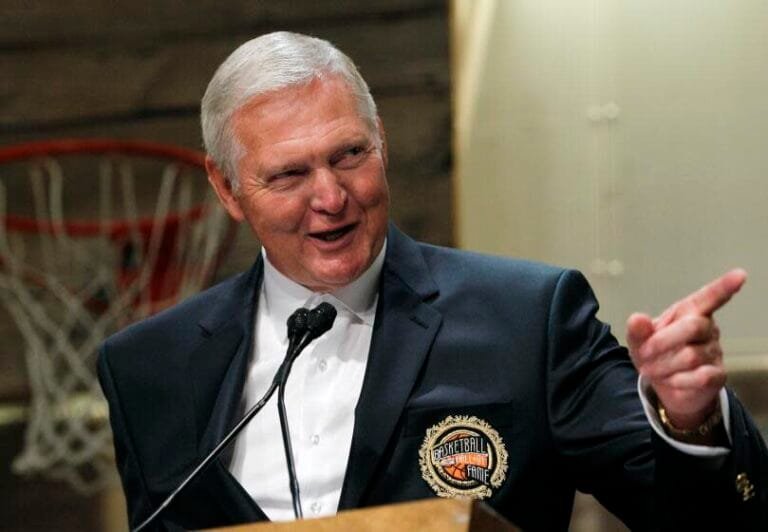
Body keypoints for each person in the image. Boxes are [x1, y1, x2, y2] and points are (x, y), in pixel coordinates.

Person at [98, 32, 767, 531]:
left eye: (349, 155)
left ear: (381, 142)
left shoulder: (527, 320)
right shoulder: (148, 370)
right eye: (290, 175)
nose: (330, 197)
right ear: (226, 187)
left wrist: (691, 420)